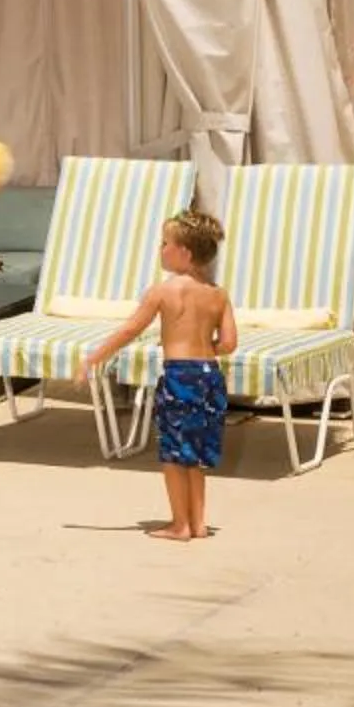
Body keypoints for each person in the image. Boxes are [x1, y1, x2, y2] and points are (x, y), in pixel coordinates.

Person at [75, 209, 235, 543]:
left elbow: (130, 329)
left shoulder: (164, 291)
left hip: (180, 377)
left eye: (165, 243)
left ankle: (180, 525)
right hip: (210, 377)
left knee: (174, 455)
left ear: (184, 253)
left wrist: (93, 359)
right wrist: (202, 346)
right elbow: (230, 343)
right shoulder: (219, 294)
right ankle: (199, 523)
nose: (160, 249)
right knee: (195, 456)